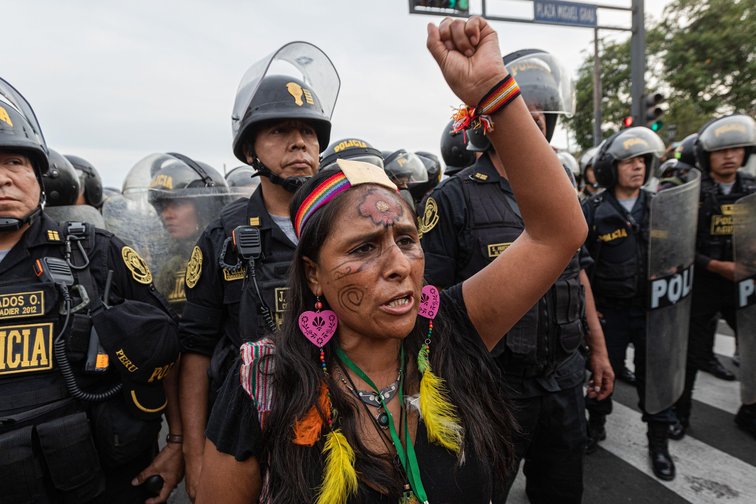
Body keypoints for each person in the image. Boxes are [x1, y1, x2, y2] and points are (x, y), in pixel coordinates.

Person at [195, 17, 587, 503]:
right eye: (363, 248)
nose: (400, 265)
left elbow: (558, 233)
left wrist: (494, 93)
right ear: (313, 273)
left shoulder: (451, 332)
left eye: (406, 238)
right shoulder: (263, 383)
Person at [419, 48, 612, 502]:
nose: (534, 118)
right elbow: (432, 307)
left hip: (563, 380)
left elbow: (578, 278)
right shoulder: (453, 199)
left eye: (541, 111)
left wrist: (598, 352)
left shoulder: (565, 196)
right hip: (492, 388)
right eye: (521, 108)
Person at [0, 78, 183, 503]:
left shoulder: (94, 253)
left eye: (14, 163)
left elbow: (167, 347)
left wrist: (176, 443)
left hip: (100, 480)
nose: (4, 180)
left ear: (37, 175)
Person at [177, 41, 339, 501]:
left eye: (309, 132)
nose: (299, 143)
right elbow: (196, 351)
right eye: (280, 132)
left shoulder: (347, 224)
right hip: (249, 437)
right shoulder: (222, 237)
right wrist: (195, 452)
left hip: (344, 426)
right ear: (250, 150)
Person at [583, 126, 686, 481]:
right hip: (609, 311)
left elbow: (677, 253)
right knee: (601, 372)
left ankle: (658, 444)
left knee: (655, 380)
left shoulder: (661, 205)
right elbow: (583, 266)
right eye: (629, 161)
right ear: (612, 167)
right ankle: (595, 426)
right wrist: (590, 312)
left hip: (652, 311)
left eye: (642, 160)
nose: (638, 167)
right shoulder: (592, 210)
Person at [673, 114, 756, 439]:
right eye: (722, 150)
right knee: (692, 354)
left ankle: (749, 410)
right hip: (704, 281)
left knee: (751, 348)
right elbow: (676, 247)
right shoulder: (691, 190)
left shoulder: (751, 187)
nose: (730, 156)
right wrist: (718, 267)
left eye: (736, 149)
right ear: (707, 155)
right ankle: (680, 416)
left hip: (745, 281)